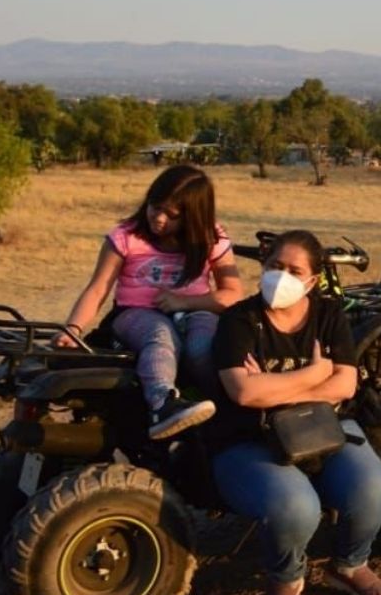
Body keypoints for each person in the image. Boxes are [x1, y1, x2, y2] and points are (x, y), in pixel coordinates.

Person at [208, 229, 381, 595]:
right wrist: (312, 374)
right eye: (275, 266)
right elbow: (242, 393)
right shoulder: (239, 320)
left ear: (312, 280)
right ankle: (286, 579)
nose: (282, 277)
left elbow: (345, 384)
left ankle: (348, 565)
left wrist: (272, 387)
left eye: (294, 271)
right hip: (250, 437)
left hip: (323, 427)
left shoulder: (328, 314)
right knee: (297, 507)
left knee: (375, 486)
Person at [57, 165, 242, 439]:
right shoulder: (127, 236)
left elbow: (232, 294)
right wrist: (73, 329)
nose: (159, 218)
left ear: (194, 217)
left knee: (203, 347)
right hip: (135, 313)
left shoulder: (210, 238)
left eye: (172, 215)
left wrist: (184, 302)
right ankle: (162, 405)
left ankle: (226, 407)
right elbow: (98, 289)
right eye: (155, 206)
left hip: (195, 309)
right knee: (161, 337)